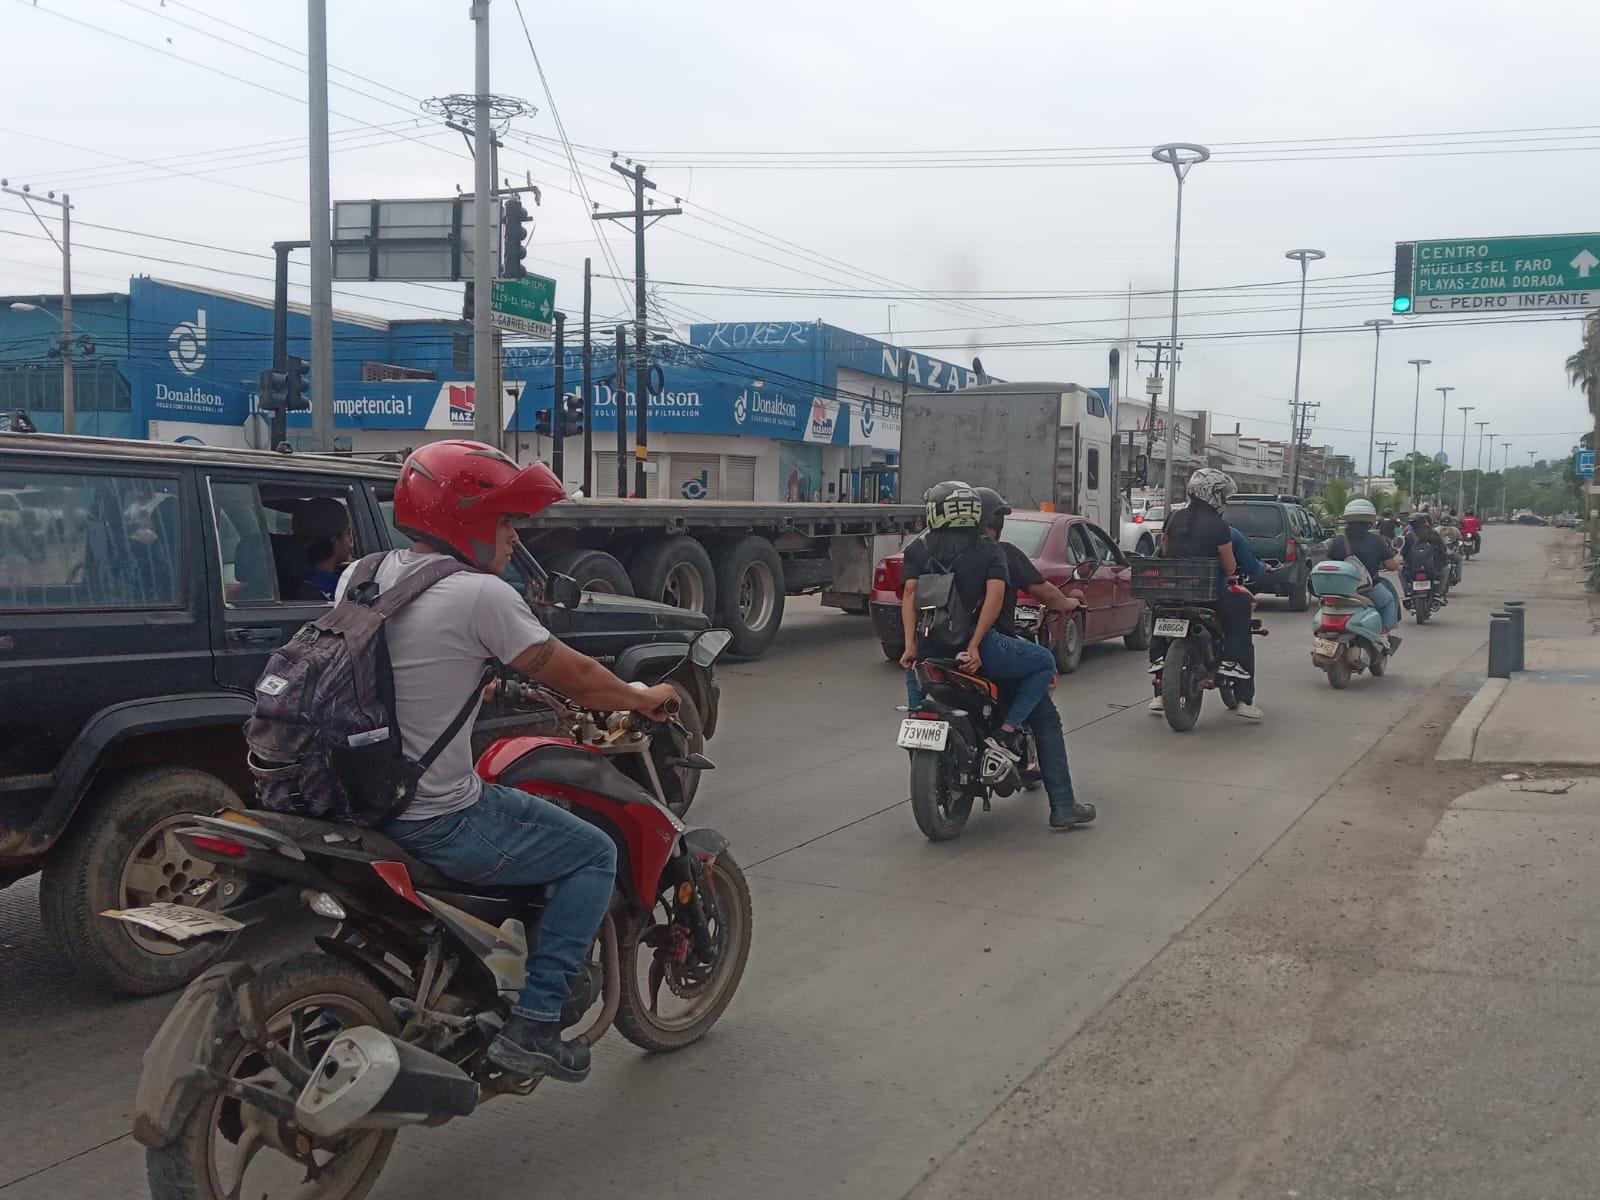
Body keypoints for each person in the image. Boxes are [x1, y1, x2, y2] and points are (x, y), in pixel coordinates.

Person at [340, 439, 678, 1085]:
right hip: (431, 815)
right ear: (466, 519)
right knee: (590, 854)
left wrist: (475, 680)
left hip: (351, 793)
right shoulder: (479, 595)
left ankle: (494, 971)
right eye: (506, 520)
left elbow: (392, 665)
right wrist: (643, 696)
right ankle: (537, 1023)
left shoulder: (366, 571)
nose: (512, 534)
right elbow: (579, 677)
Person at [900, 482, 1083, 824]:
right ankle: (1057, 797)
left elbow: (909, 595)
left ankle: (934, 764)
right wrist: (974, 644)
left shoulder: (918, 549)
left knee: (918, 709)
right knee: (1044, 670)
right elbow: (999, 597)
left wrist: (911, 645)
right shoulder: (994, 551)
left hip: (928, 654)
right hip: (981, 650)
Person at [972, 486, 1095, 830]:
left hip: (943, 649)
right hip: (991, 649)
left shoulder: (945, 552)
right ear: (995, 521)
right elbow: (1047, 594)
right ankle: (1063, 805)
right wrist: (1070, 603)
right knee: (1046, 715)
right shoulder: (1003, 554)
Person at [1149, 468, 1262, 719]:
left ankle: (1158, 667)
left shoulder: (1173, 517)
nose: (1223, 498)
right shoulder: (1220, 526)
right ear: (1211, 494)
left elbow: (1165, 552)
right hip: (1207, 595)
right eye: (1221, 493)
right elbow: (1230, 567)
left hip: (1173, 593)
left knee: (1158, 608)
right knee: (1241, 607)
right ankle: (1235, 670)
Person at [1329, 498, 1404, 650]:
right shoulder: (1376, 541)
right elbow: (1391, 566)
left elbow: (1330, 563)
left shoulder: (1337, 541)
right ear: (1369, 521)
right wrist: (1397, 560)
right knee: (1389, 601)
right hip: (1368, 589)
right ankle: (1383, 635)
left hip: (1341, 590)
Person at [292, 497, 354, 600]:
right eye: (348, 533)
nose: (351, 542)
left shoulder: (290, 580)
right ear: (334, 541)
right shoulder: (342, 587)